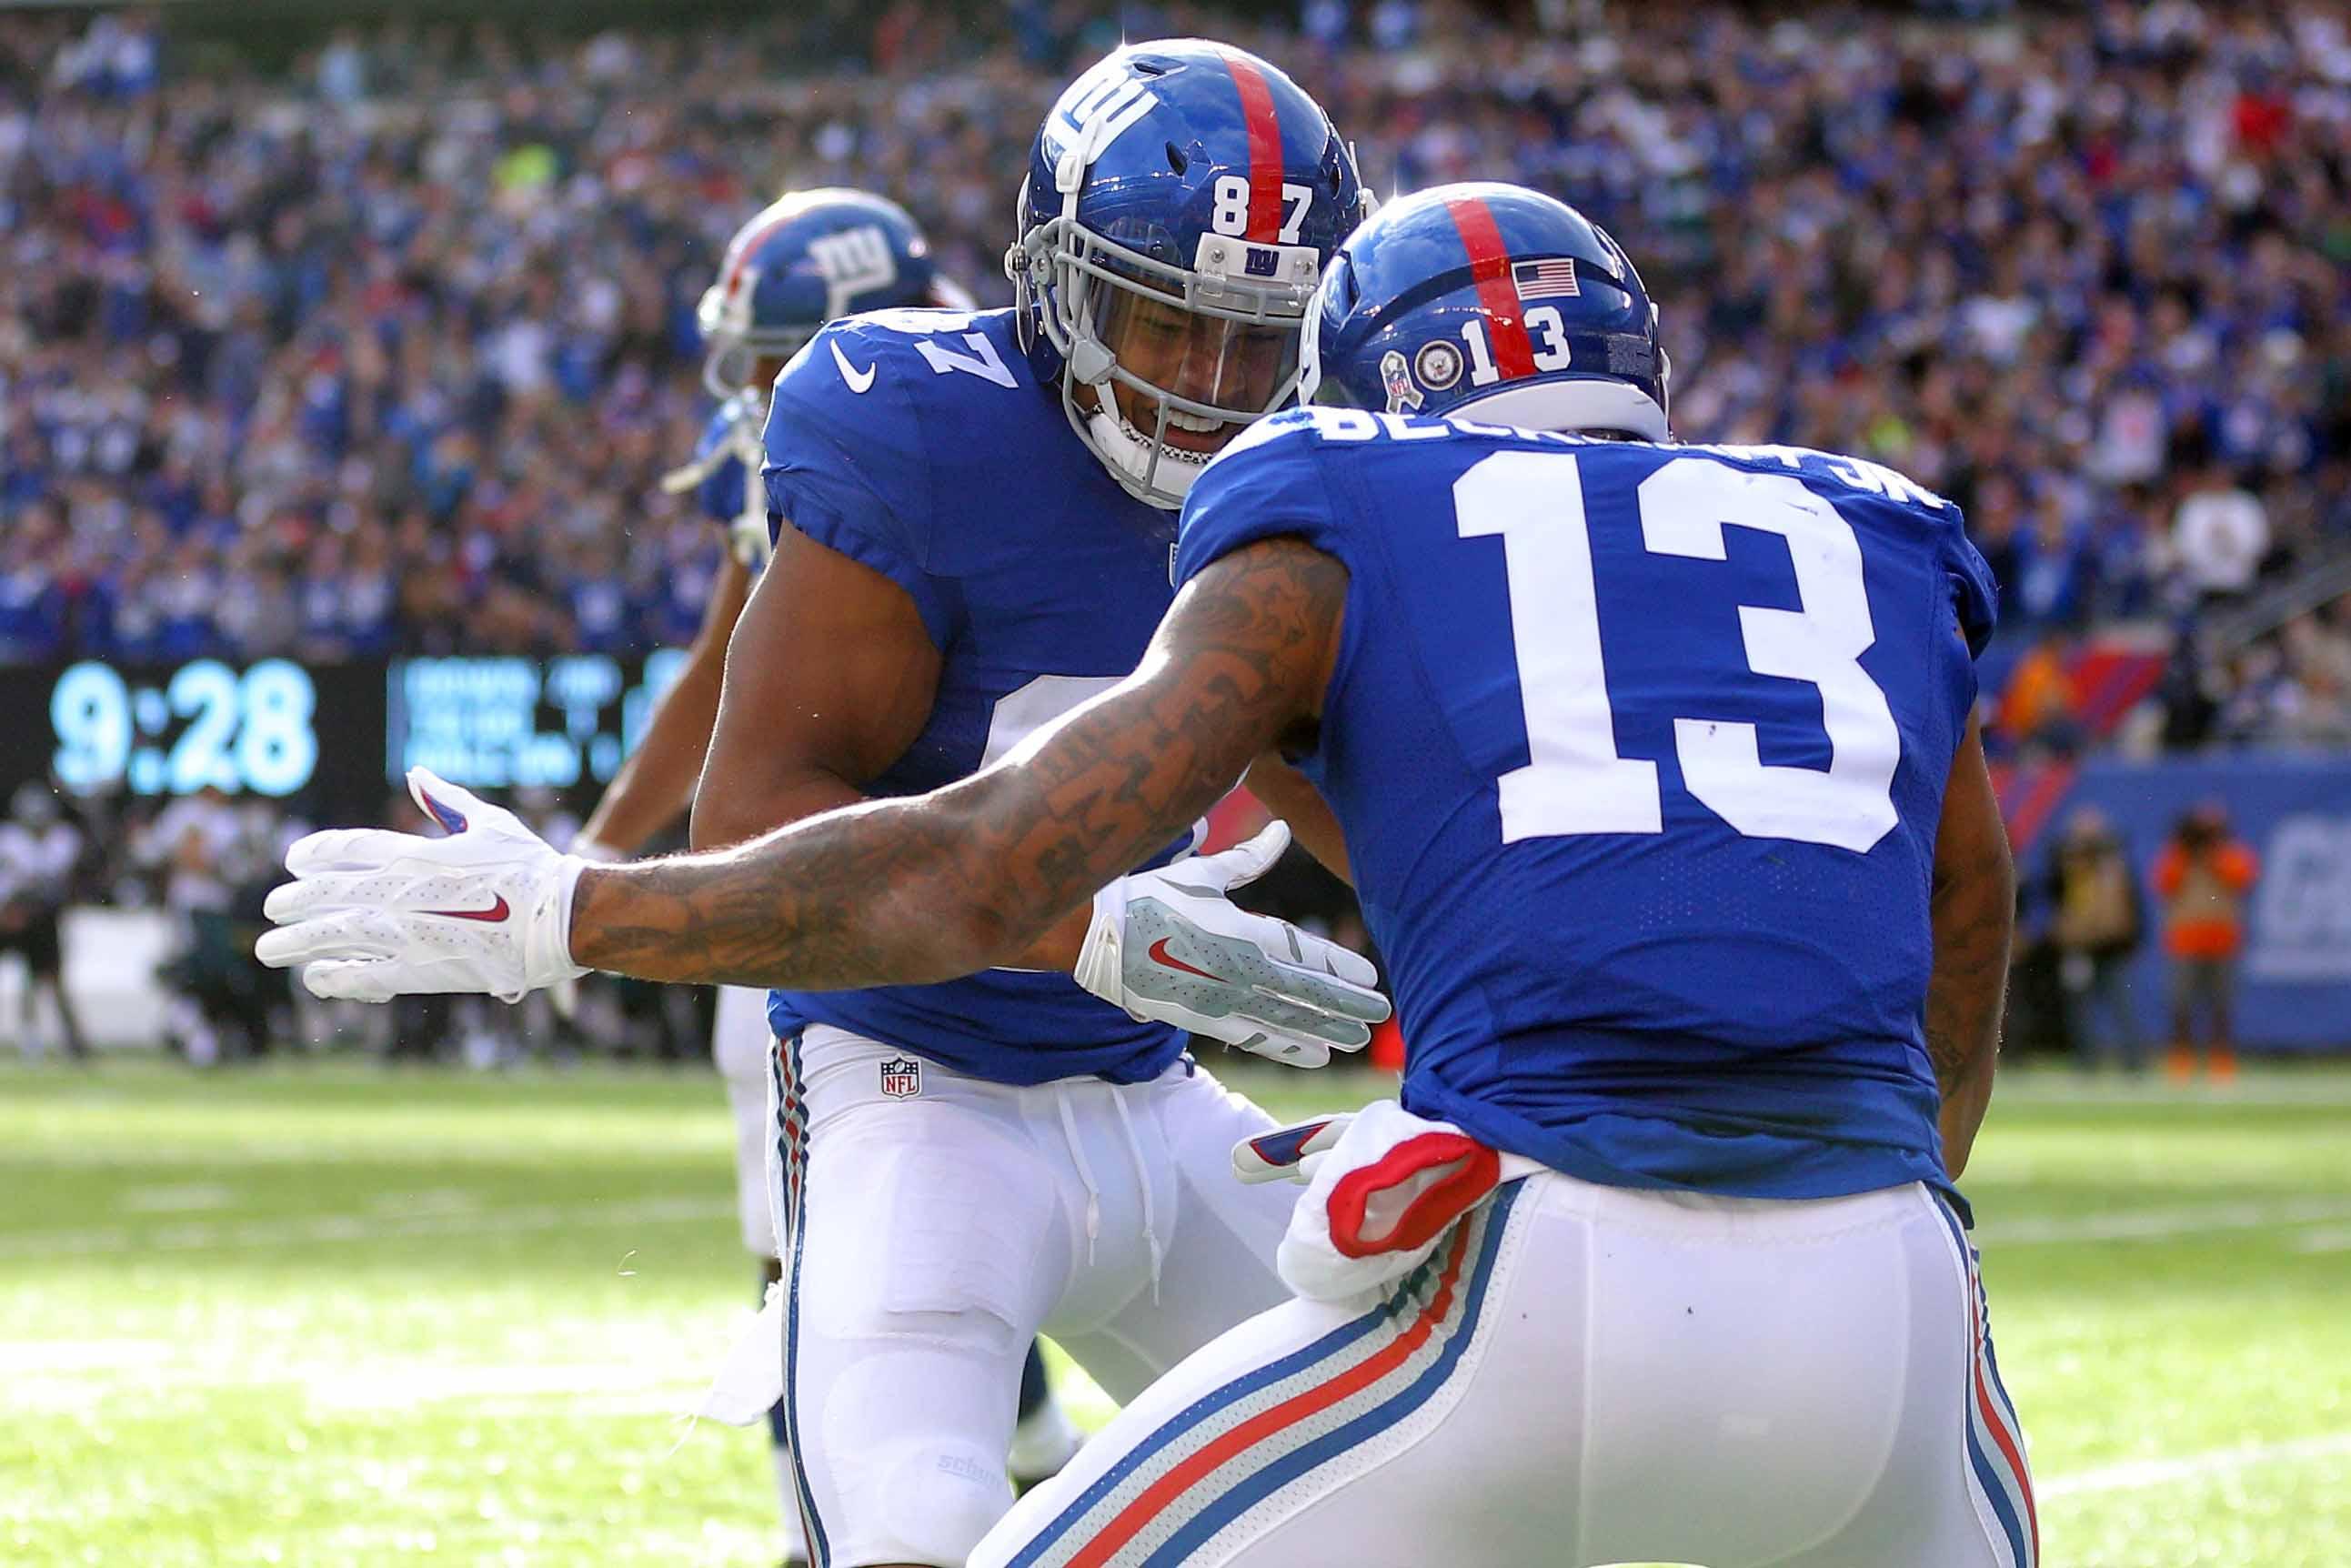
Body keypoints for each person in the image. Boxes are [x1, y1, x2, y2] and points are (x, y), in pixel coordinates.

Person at [260, 181, 2029, 1566]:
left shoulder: (1351, 508)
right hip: (1899, 1305)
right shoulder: (1864, 520)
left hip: (1543, 1276)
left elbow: (967, 863)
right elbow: (1960, 924)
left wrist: (576, 908)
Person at [271, 42, 1386, 1568]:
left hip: (1157, 1091)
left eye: (1247, 337)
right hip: (912, 1084)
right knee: (922, 1522)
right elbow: (752, 821)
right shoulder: (923, 426)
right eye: (1158, 315)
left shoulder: (1316, 471)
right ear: (1059, 283)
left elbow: (1378, 813)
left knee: (1425, 1489)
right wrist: (1092, 928)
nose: (1200, 380)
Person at [562, 187, 1059, 1561]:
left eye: (783, 355)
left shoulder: (1015, 431)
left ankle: (1012, 1457)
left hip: (1020, 880)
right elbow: (728, 660)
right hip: (845, 880)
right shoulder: (818, 454)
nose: (760, 389)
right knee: (814, 1236)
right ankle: (854, 1504)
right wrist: (608, 847)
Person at [2151, 801, 2259, 1082]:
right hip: (2185, 940)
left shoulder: (2230, 853)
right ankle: (2181, 1060)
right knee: (2181, 1004)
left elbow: (2242, 877)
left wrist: (2213, 854)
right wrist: (2187, 851)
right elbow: (2163, 882)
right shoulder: (2178, 855)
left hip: (2222, 940)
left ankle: (2220, 1061)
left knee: (2221, 1005)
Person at [2045, 805, 2145, 1072]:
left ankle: (2133, 1060)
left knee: (2120, 1006)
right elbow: (2054, 894)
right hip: (2080, 947)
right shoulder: (2067, 864)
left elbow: (2131, 904)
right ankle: (2086, 1061)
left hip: (2110, 946)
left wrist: (2131, 940)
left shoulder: (2113, 865)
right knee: (2081, 1009)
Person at [0, 782, 89, 1061]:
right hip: (7, 914)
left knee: (50, 979)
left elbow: (50, 885)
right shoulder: (9, 838)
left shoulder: (63, 839)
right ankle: (32, 1035)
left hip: (42, 919)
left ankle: (70, 1039)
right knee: (37, 981)